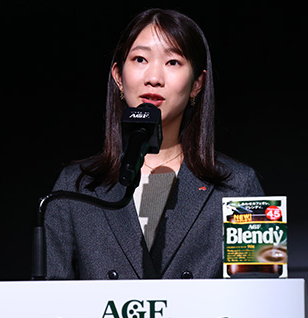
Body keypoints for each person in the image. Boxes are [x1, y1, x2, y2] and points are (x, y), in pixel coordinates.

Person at [45, 8, 263, 280]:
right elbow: (50, 299)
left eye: (173, 62)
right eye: (140, 59)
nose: (154, 78)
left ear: (197, 83)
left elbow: (262, 296)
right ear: (118, 76)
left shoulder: (238, 187)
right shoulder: (75, 187)